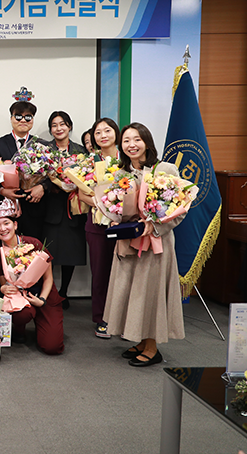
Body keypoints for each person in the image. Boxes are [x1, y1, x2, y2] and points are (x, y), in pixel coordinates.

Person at [103, 122, 185, 366]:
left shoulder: (165, 170)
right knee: (132, 292)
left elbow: (180, 208)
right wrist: (114, 216)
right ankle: (140, 340)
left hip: (155, 244)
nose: (132, 145)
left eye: (137, 139)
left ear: (147, 142)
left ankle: (152, 347)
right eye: (127, 141)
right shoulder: (121, 174)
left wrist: (155, 225)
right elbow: (116, 205)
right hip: (130, 241)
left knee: (151, 293)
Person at [0, 197, 64, 355]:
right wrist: (3, 289)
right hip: (20, 296)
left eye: (6, 223)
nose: (3, 229)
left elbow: (48, 278)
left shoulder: (33, 243)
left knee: (52, 347)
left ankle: (43, 322)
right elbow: (5, 284)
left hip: (44, 294)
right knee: (22, 314)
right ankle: (19, 328)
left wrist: (42, 300)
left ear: (15, 225)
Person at [78, 117, 121, 339]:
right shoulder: (90, 161)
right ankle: (102, 318)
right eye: (98, 132)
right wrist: (102, 204)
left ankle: (124, 319)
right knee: (101, 272)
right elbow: (81, 193)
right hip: (97, 223)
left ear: (116, 133)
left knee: (125, 272)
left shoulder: (127, 159)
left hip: (126, 223)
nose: (103, 135)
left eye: (107, 130)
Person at [43, 111, 87, 310]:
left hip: (74, 206)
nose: (58, 128)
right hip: (51, 205)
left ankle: (64, 292)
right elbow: (39, 175)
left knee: (71, 252)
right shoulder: (44, 150)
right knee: (48, 254)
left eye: (62, 124)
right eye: (54, 125)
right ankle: (50, 293)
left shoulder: (80, 151)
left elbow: (87, 176)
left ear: (69, 126)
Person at [0, 88, 46, 242]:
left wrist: (42, 187)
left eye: (28, 117)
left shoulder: (41, 145)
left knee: (33, 247)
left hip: (34, 206)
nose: (23, 120)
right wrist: (2, 190)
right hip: (6, 209)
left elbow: (51, 173)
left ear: (33, 120)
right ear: (11, 118)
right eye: (18, 116)